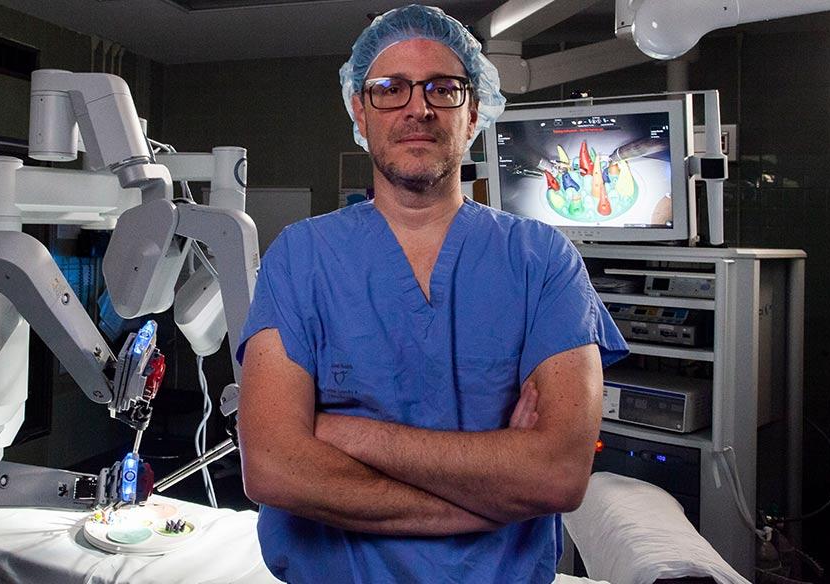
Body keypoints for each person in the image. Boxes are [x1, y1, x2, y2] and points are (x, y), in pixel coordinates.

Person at [236, 5, 629, 583]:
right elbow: (273, 468)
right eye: (390, 88)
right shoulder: (300, 258)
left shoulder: (542, 261)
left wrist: (346, 432)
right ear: (359, 112)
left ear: (473, 113)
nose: (417, 107)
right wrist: (481, 499)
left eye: (443, 89)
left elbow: (557, 476)